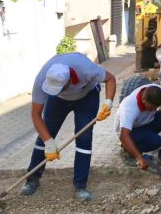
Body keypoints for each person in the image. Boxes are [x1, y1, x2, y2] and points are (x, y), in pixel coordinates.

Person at [21, 52, 117, 202]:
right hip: (58, 101)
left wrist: (109, 102)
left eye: (59, 87)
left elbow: (110, 78)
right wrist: (48, 142)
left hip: (87, 95)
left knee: (84, 136)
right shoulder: (42, 80)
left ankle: (80, 185)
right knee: (46, 132)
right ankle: (32, 179)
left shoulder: (86, 69)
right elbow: (35, 115)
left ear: (68, 82)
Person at [115, 83, 161, 170]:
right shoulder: (129, 108)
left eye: (156, 108)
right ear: (143, 99)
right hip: (131, 131)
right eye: (151, 108)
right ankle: (128, 152)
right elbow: (123, 135)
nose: (154, 110)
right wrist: (140, 158)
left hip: (146, 123)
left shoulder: (154, 89)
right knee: (155, 141)